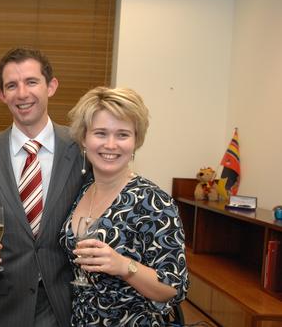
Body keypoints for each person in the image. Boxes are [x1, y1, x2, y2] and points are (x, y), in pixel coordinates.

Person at [0, 47, 85, 327]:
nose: (22, 93)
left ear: (51, 86)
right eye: (11, 85)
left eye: (31, 82)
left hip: (66, 302)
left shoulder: (82, 149)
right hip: (4, 305)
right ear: (1, 95)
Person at [59, 86, 189, 326]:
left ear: (135, 141)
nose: (111, 144)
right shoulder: (81, 190)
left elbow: (174, 287)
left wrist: (123, 266)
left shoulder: (153, 201)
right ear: (84, 139)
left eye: (122, 134)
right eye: (100, 133)